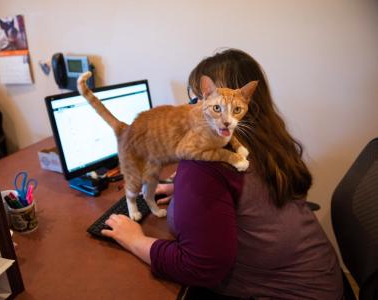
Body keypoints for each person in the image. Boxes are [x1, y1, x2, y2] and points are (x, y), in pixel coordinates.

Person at [101, 49, 344, 299]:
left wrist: (134, 240)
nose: (192, 106)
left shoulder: (204, 166)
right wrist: (184, 189)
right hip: (324, 278)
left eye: (197, 99)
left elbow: (199, 268)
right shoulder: (268, 142)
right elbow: (251, 190)